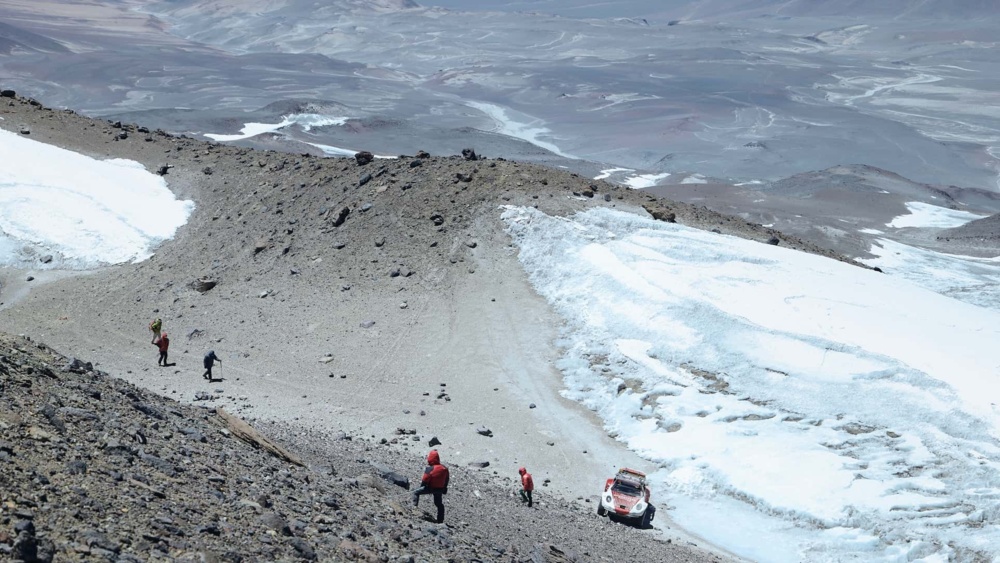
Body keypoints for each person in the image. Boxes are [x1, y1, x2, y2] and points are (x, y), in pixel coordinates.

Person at [412, 449, 449, 523]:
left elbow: (425, 479)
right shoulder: (444, 468)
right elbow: (446, 479)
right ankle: (440, 520)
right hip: (440, 489)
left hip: (430, 488)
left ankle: (414, 508)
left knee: (415, 492)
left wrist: (422, 486)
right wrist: (444, 488)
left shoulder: (430, 469)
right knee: (439, 504)